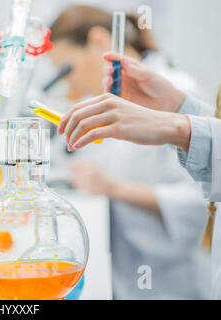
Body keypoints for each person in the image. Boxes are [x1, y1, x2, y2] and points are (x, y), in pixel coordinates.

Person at [49, 5, 210, 299]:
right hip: (127, 272)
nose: (68, 83)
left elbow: (200, 203)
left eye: (67, 68)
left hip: (172, 282)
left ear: (98, 42)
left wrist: (113, 188)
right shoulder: (110, 99)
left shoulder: (179, 91)